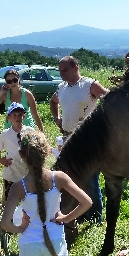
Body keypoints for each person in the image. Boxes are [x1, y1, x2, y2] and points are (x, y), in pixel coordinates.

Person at [49, 55, 108, 223]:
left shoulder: (89, 85)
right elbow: (53, 102)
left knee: (90, 177)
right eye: (60, 71)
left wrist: (98, 122)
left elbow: (109, 100)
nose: (62, 74)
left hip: (87, 139)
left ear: (76, 68)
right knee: (71, 177)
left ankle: (95, 215)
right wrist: (57, 118)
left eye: (65, 70)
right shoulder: (62, 87)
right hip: (67, 137)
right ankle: (78, 213)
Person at [0, 102, 34, 202]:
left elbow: (35, 146)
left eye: (20, 115)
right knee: (9, 198)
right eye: (14, 115)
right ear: (9, 117)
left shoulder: (29, 131)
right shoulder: (5, 134)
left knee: (28, 197)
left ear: (24, 116)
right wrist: (0, 159)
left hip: (26, 169)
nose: (17, 117)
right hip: (11, 170)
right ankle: (7, 209)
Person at [0, 68, 44, 133]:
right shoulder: (5, 95)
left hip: (26, 129)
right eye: (9, 81)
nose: (12, 83)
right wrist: (0, 93)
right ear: (6, 83)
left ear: (19, 79)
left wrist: (42, 133)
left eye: (15, 80)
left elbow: (35, 114)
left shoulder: (27, 94)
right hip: (10, 129)